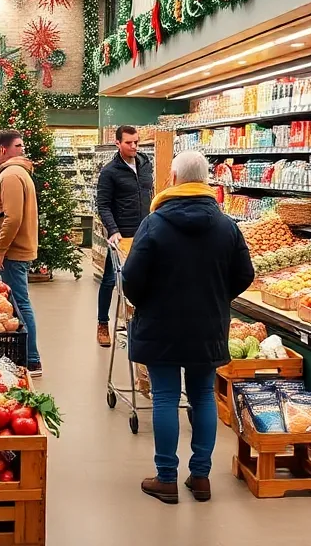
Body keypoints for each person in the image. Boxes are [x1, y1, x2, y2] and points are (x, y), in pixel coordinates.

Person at [122, 150, 255, 505]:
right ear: (207, 181)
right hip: (207, 326)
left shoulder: (154, 224)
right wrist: (217, 297)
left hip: (160, 325)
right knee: (202, 396)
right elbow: (245, 275)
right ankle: (201, 477)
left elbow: (131, 279)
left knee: (165, 396)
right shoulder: (227, 225)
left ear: (175, 179)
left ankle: (166, 478)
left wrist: (145, 302)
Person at [0, 129, 42, 377]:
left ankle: (31, 359)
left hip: (13, 252)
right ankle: (25, 356)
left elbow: (14, 217)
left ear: (0, 150)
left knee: (19, 304)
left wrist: (0, 250)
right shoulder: (20, 173)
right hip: (17, 250)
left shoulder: (11, 175)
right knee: (17, 302)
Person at [94, 125, 154, 347]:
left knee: (141, 279)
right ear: (118, 143)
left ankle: (132, 322)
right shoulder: (110, 172)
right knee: (110, 279)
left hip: (144, 232)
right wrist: (113, 230)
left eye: (136, 142)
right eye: (129, 142)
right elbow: (104, 204)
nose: (134, 146)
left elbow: (151, 193)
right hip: (120, 236)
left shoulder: (146, 165)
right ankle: (102, 323)